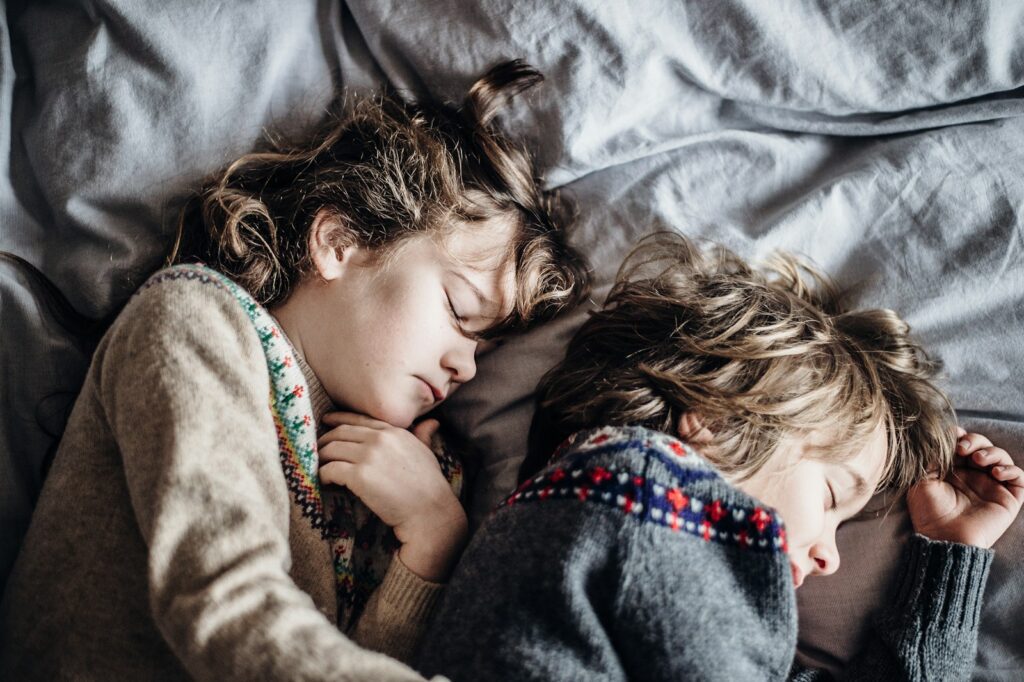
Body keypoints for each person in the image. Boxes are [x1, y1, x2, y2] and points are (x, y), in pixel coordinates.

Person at [0, 60, 589, 681]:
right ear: (339, 242)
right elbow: (226, 606)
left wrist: (432, 546)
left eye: (484, 350)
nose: (466, 366)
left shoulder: (412, 479)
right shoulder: (195, 322)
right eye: (459, 311)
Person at [416, 233, 1023, 681]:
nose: (830, 557)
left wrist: (951, 555)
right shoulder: (636, 491)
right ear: (719, 419)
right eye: (831, 497)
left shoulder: (659, 541)